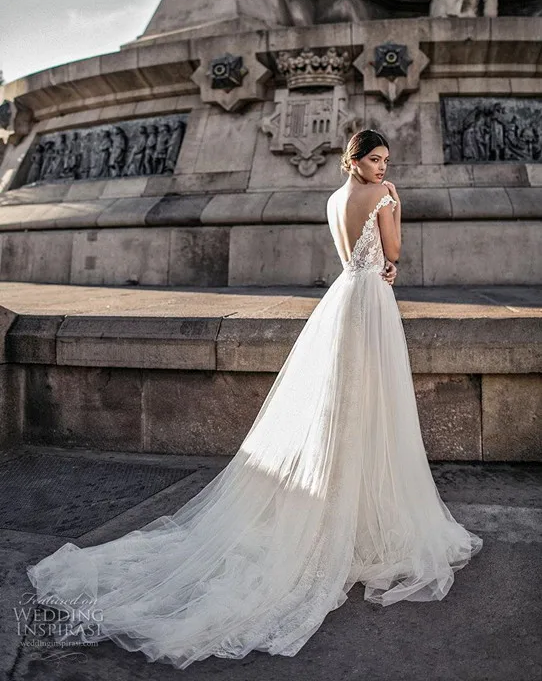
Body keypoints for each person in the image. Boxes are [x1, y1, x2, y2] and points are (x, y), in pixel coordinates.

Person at [26, 129, 483, 670]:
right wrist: (396, 212)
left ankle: (340, 504)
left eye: (386, 162)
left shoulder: (335, 198)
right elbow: (395, 251)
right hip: (372, 302)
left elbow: (348, 255)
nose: (383, 168)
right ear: (353, 161)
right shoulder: (383, 196)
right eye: (375, 160)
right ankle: (359, 517)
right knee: (372, 402)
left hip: (343, 299)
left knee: (338, 404)